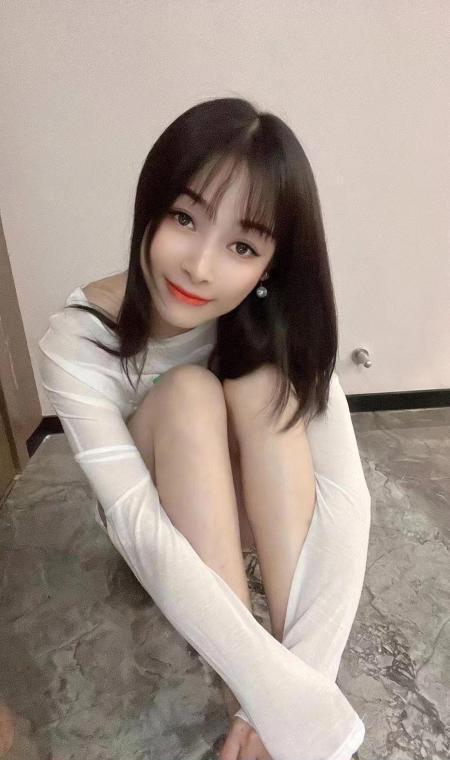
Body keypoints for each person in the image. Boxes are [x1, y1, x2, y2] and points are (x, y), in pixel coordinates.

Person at [38, 97, 371, 760]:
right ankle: (244, 691)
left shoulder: (274, 323)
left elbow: (345, 497)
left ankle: (269, 692)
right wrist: (272, 701)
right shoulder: (75, 342)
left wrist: (296, 690)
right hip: (161, 537)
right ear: (151, 206)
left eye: (242, 246)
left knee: (267, 384)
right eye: (185, 218)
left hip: (257, 520)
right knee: (188, 393)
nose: (200, 266)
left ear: (269, 266)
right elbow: (141, 528)